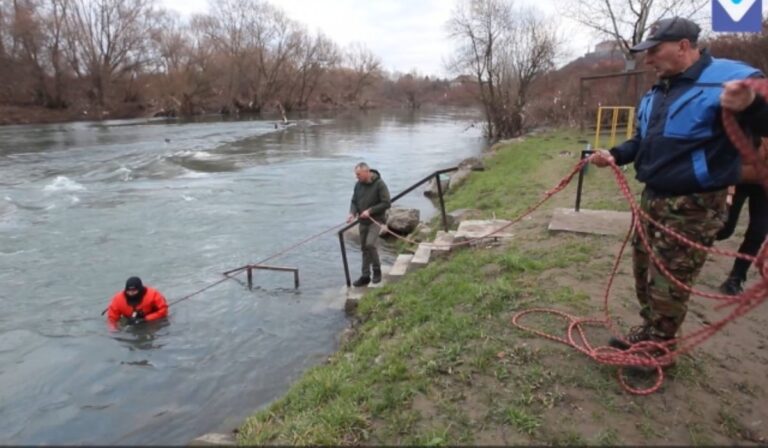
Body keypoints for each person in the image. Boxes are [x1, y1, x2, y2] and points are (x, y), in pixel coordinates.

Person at [590, 17, 768, 353]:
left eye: (655, 50)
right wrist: (614, 154)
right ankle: (650, 331)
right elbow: (642, 141)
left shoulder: (731, 80)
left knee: (669, 283)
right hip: (653, 198)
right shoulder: (658, 92)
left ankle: (660, 352)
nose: (649, 59)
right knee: (644, 273)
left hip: (693, 206)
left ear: (683, 46)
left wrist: (752, 107)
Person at [716, 139, 768, 295]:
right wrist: (729, 188)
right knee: (724, 229)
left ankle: (736, 277)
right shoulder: (758, 117)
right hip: (740, 178)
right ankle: (690, 246)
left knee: (758, 233)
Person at [347, 162, 391, 287]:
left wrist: (370, 211)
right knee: (364, 248)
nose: (357, 177)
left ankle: (377, 271)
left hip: (376, 220)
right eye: (356, 174)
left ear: (367, 172)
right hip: (363, 221)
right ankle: (365, 276)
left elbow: (386, 203)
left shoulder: (379, 184)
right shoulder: (358, 185)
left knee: (370, 244)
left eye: (358, 174)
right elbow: (354, 201)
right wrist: (352, 213)